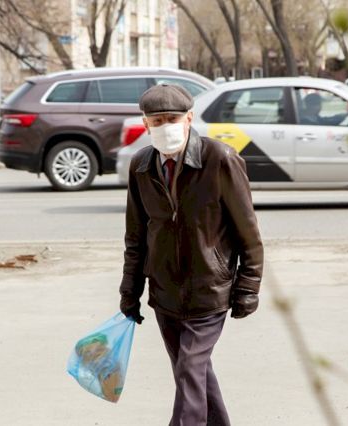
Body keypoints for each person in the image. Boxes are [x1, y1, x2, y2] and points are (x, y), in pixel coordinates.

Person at [119, 84, 264, 426]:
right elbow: (136, 237)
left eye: (172, 119)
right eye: (157, 121)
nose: (165, 126)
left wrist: (248, 287)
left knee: (189, 369)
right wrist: (130, 291)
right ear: (145, 123)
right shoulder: (141, 166)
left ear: (189, 119)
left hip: (209, 290)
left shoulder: (220, 159)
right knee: (194, 375)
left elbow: (249, 234)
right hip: (165, 293)